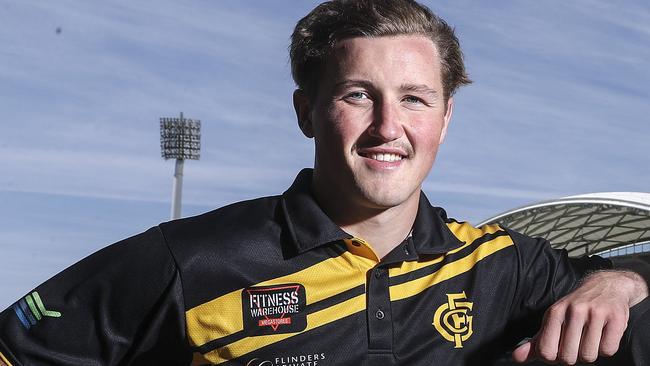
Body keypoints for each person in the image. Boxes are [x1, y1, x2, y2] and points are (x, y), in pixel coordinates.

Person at [0, 1, 648, 365]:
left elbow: (623, 282)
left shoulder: (499, 265)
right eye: (358, 96)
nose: (389, 127)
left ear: (446, 118)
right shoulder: (191, 260)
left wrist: (621, 280)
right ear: (306, 111)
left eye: (416, 99)